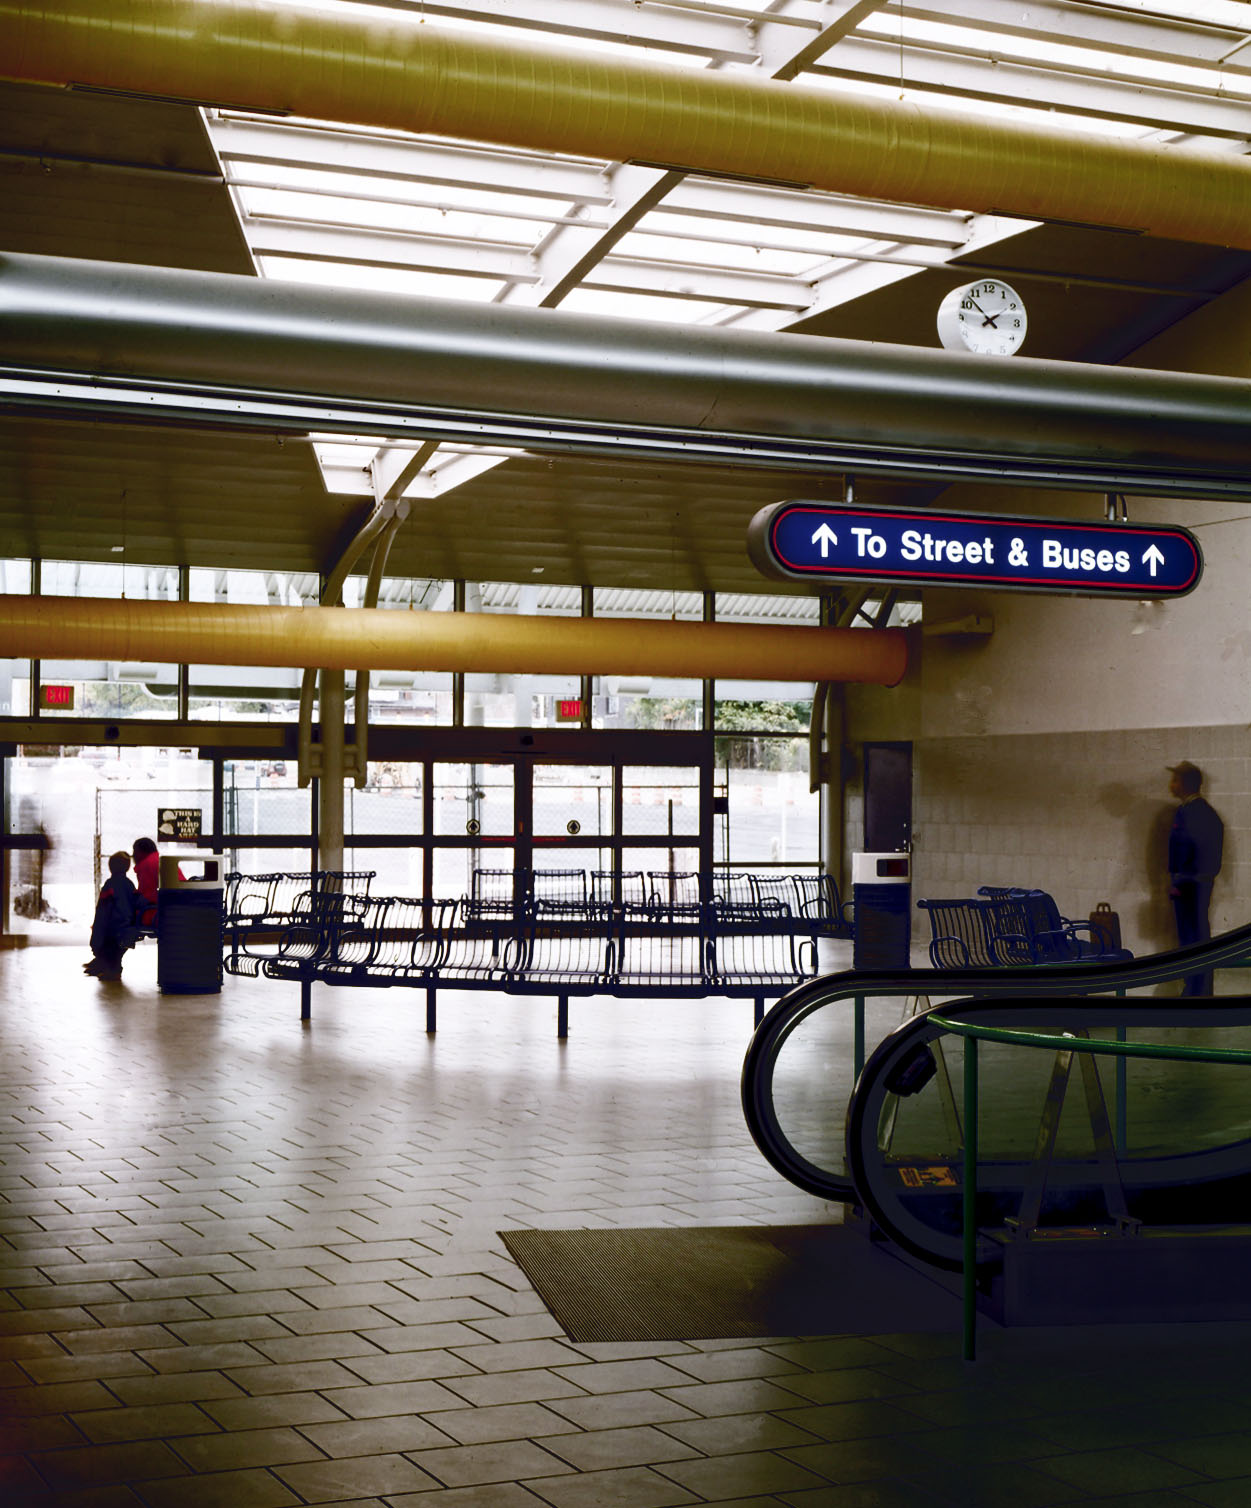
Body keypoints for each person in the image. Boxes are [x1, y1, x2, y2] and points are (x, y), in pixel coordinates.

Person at [1167, 760, 1224, 996]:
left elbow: (1188, 847)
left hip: (1189, 886)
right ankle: (1199, 989)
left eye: (1175, 779)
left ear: (1185, 784)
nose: (1171, 785)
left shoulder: (1190, 812)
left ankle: (1195, 991)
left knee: (1191, 939)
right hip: (1198, 884)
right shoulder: (1206, 812)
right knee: (1198, 936)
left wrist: (1179, 880)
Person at [85, 851, 145, 981]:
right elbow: (137, 902)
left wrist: (97, 927)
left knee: (106, 946)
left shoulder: (109, 885)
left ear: (110, 867)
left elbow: (103, 911)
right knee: (117, 952)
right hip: (128, 927)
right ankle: (108, 966)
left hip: (113, 928)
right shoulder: (129, 885)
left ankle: (109, 968)